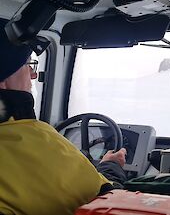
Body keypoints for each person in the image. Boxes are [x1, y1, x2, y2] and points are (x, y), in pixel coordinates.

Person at [0, 19, 127, 215]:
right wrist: (111, 166)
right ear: (4, 80)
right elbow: (107, 197)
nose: (32, 76)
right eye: (28, 65)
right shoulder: (27, 139)